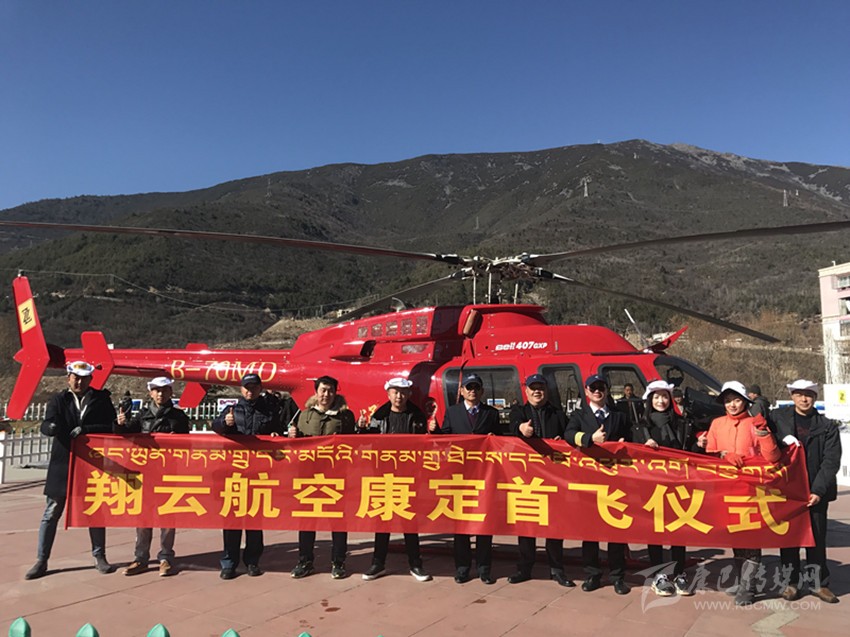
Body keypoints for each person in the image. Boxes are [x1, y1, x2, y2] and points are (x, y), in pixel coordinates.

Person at [25, 361, 117, 580]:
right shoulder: (59, 399)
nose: (79, 381)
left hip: (91, 464)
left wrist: (86, 430)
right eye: (75, 377)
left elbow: (111, 425)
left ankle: (99, 556)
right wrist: (51, 428)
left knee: (95, 511)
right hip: (62, 463)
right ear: (68, 378)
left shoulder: (101, 399)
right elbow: (46, 424)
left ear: (90, 379)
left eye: (84, 378)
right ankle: (42, 560)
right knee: (51, 512)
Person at [705, 380, 780, 606]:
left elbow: (773, 456)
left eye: (736, 400)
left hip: (751, 490)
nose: (732, 405)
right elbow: (709, 453)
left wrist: (763, 433)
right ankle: (742, 580)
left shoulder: (755, 423)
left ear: (745, 401)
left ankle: (749, 587)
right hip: (725, 489)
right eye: (728, 401)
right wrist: (723, 454)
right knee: (736, 536)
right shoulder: (717, 423)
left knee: (751, 538)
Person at [771, 379, 842, 604]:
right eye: (799, 394)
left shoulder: (827, 426)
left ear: (815, 397)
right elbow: (758, 416)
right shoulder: (779, 419)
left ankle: (818, 583)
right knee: (789, 538)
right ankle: (790, 582)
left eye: (809, 395)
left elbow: (831, 461)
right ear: (792, 396)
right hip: (787, 490)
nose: (804, 399)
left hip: (815, 491)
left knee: (816, 538)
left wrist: (818, 490)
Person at [357, 377, 432, 582]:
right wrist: (361, 428)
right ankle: (378, 563)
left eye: (403, 392)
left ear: (409, 394)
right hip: (384, 475)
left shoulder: (417, 416)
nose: (399, 396)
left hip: (409, 475)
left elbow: (426, 444)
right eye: (395, 392)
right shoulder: (379, 416)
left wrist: (434, 431)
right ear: (388, 394)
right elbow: (367, 442)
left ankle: (415, 564)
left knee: (410, 522)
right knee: (382, 521)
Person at [115, 376, 190, 577]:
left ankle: (166, 557)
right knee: (143, 517)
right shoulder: (142, 416)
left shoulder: (179, 417)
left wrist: (176, 441)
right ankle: (140, 558)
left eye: (164, 390)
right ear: (150, 392)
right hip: (145, 473)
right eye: (156, 390)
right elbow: (125, 435)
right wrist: (120, 425)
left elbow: (189, 445)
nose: (160, 394)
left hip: (168, 473)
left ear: (171, 392)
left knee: (167, 517)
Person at [565, 373, 632, 595]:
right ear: (586, 391)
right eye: (592, 388)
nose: (597, 391)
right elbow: (569, 435)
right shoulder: (579, 415)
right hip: (589, 481)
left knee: (616, 531)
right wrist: (589, 439)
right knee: (590, 531)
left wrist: (624, 444)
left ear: (607, 390)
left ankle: (617, 576)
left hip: (615, 481)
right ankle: (592, 574)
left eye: (601, 388)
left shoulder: (619, 415)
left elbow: (631, 439)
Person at [212, 372, 283, 579]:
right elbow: (216, 428)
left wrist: (276, 436)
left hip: (258, 473)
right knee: (231, 519)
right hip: (234, 473)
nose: (250, 391)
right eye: (246, 387)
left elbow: (278, 433)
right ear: (241, 389)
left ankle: (252, 561)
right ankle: (229, 562)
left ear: (260, 389)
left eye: (254, 387)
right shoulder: (232, 409)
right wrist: (225, 423)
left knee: (254, 520)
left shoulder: (269, 411)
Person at [507, 374, 573, 587]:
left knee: (555, 524)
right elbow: (512, 427)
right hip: (527, 478)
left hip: (553, 478)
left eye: (541, 388)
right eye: (533, 388)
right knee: (527, 525)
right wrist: (521, 429)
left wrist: (562, 441)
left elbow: (569, 436)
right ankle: (525, 568)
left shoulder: (558, 414)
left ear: (546, 391)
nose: (537, 391)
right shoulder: (519, 411)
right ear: (526, 391)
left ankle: (557, 569)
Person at [631, 380, 695, 597]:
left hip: (678, 485)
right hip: (652, 486)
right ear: (650, 400)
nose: (661, 401)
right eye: (656, 397)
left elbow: (690, 451)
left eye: (664, 396)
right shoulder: (640, 427)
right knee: (655, 530)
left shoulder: (682, 424)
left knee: (679, 529)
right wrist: (643, 446)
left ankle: (679, 573)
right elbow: (632, 455)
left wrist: (700, 445)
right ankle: (658, 574)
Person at [290, 375, 356, 580]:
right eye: (323, 390)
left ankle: (338, 562)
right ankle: (305, 561)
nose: (326, 394)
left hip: (335, 475)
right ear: (316, 392)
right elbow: (297, 445)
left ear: (335, 393)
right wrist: (292, 435)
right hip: (308, 476)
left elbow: (353, 443)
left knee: (337, 521)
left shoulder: (345, 416)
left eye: (330, 391)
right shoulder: (304, 415)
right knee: (307, 521)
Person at [439, 372, 500, 585]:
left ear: (482, 391)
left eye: (476, 388)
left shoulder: (491, 413)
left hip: (484, 476)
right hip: (460, 475)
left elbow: (501, 439)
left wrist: (494, 438)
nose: (472, 391)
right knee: (461, 525)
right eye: (469, 387)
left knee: (484, 524)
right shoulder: (453, 412)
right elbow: (444, 437)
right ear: (462, 391)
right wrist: (434, 431)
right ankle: (462, 568)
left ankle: (484, 569)